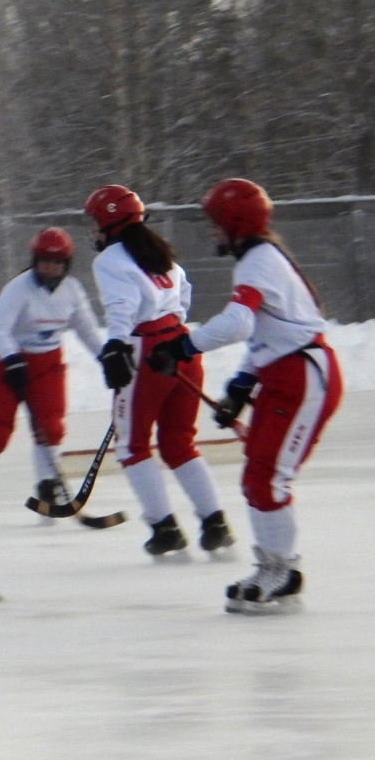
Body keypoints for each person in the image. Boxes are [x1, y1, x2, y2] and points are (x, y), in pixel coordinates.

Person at [147, 179, 343, 614]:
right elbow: (265, 332)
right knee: (256, 474)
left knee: (268, 478)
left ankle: (282, 570)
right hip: (283, 375)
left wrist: (183, 347)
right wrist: (241, 384)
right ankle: (273, 566)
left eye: (217, 224)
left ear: (237, 224)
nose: (213, 233)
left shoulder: (258, 261)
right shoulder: (260, 258)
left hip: (303, 379)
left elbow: (237, 323)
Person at [84, 184, 234, 558]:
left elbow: (122, 306)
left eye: (95, 222)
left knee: (133, 446)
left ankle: (164, 528)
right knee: (179, 442)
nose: (93, 231)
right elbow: (183, 297)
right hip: (180, 347)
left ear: (108, 222)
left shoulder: (109, 260)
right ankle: (215, 522)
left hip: (148, 351)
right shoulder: (159, 252)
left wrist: (116, 345)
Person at [0, 227, 104, 519]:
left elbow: (87, 329)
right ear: (35, 261)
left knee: (50, 428)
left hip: (47, 363)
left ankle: (47, 484)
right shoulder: (19, 289)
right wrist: (12, 360)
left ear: (66, 265)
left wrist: (107, 358)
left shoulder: (72, 290)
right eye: (44, 261)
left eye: (56, 263)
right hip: (6, 363)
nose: (49, 268)